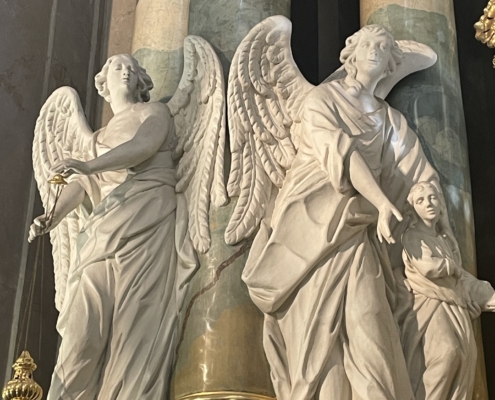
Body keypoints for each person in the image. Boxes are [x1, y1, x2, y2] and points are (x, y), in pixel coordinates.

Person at [242, 25, 442, 399]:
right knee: (318, 343)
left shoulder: (391, 121)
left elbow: (417, 174)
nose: (374, 51)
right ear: (350, 53)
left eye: (383, 47)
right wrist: (381, 202)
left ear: (391, 64)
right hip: (309, 231)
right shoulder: (321, 100)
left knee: (371, 325)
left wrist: (426, 198)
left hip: (357, 231)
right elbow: (340, 152)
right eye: (367, 44)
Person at [29, 54, 196, 399]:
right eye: (117, 67)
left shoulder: (155, 112)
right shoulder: (97, 139)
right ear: (103, 83)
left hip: (146, 221)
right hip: (102, 229)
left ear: (141, 82)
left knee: (133, 330)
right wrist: (53, 216)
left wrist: (89, 165)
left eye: (132, 69)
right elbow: (84, 185)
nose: (125, 71)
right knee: (80, 334)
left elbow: (143, 146)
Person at [401, 182, 495, 400]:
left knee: (466, 356)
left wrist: (477, 298)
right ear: (412, 209)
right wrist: (450, 266)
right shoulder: (413, 236)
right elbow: (428, 267)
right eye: (420, 201)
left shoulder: (444, 241)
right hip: (429, 305)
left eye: (433, 198)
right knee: (447, 353)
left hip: (453, 304)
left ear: (441, 204)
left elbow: (461, 280)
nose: (428, 204)